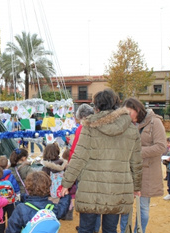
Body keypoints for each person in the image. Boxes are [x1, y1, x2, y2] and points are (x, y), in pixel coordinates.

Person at [60, 89, 143, 233]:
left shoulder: (89, 127)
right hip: (117, 188)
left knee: (86, 228)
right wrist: (136, 186)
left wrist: (66, 183)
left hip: (90, 188)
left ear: (96, 107)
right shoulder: (131, 128)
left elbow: (79, 157)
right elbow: (136, 162)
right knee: (110, 229)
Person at [121, 97, 167, 233]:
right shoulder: (127, 124)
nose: (127, 116)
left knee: (143, 207)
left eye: (129, 113)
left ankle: (139, 231)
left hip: (147, 171)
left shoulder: (155, 122)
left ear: (138, 109)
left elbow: (161, 146)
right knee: (125, 207)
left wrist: (137, 152)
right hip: (127, 171)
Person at [6, 171, 71, 233]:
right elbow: (63, 207)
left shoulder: (21, 209)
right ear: (48, 188)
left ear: (27, 188)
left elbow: (12, 230)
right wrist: (66, 195)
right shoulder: (52, 208)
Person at [0, 155, 20, 233]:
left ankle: (0, 231)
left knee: (0, 217)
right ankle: (10, 230)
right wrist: (17, 196)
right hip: (10, 201)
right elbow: (15, 187)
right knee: (11, 216)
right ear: (7, 165)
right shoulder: (10, 175)